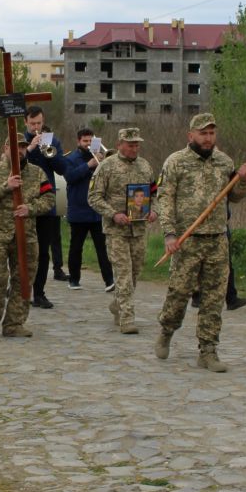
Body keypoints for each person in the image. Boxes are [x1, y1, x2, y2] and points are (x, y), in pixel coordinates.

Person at [155, 111, 246, 373]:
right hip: (187, 241)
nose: (208, 138)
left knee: (214, 298)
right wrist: (169, 234)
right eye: (203, 133)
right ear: (191, 135)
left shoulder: (224, 162)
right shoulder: (176, 162)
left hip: (217, 239)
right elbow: (164, 199)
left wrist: (243, 181)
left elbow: (235, 197)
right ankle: (166, 329)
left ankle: (208, 350)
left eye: (212, 133)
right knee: (178, 294)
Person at [0, 136, 51, 338]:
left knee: (24, 279)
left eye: (23, 147)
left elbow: (49, 198)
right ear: (5, 148)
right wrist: (5, 187)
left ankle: (14, 323)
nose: (20, 151)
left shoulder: (36, 172)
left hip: (26, 234)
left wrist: (31, 208)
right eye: (15, 147)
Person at [87, 126, 155, 335]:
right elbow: (93, 197)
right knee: (123, 274)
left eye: (137, 144)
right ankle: (127, 318)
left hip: (139, 229)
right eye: (130, 144)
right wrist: (113, 213)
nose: (135, 148)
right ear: (119, 145)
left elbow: (155, 193)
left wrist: (154, 211)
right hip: (116, 229)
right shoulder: (106, 167)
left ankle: (118, 304)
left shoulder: (145, 167)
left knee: (134, 273)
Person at [25, 106, 68, 307]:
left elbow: (63, 168)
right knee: (21, 250)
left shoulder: (52, 140)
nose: (36, 127)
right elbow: (13, 163)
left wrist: (50, 154)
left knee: (43, 251)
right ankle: (17, 286)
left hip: (45, 202)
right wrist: (31, 148)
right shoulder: (18, 140)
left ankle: (39, 293)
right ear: (26, 123)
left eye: (39, 123)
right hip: (24, 202)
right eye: (32, 124)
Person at [62, 130, 115, 291]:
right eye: (85, 141)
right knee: (76, 247)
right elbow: (69, 177)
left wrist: (101, 162)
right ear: (79, 142)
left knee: (102, 248)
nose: (88, 144)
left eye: (91, 141)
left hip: (97, 211)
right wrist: (88, 165)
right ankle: (74, 279)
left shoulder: (102, 158)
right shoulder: (71, 159)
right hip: (78, 209)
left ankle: (109, 281)